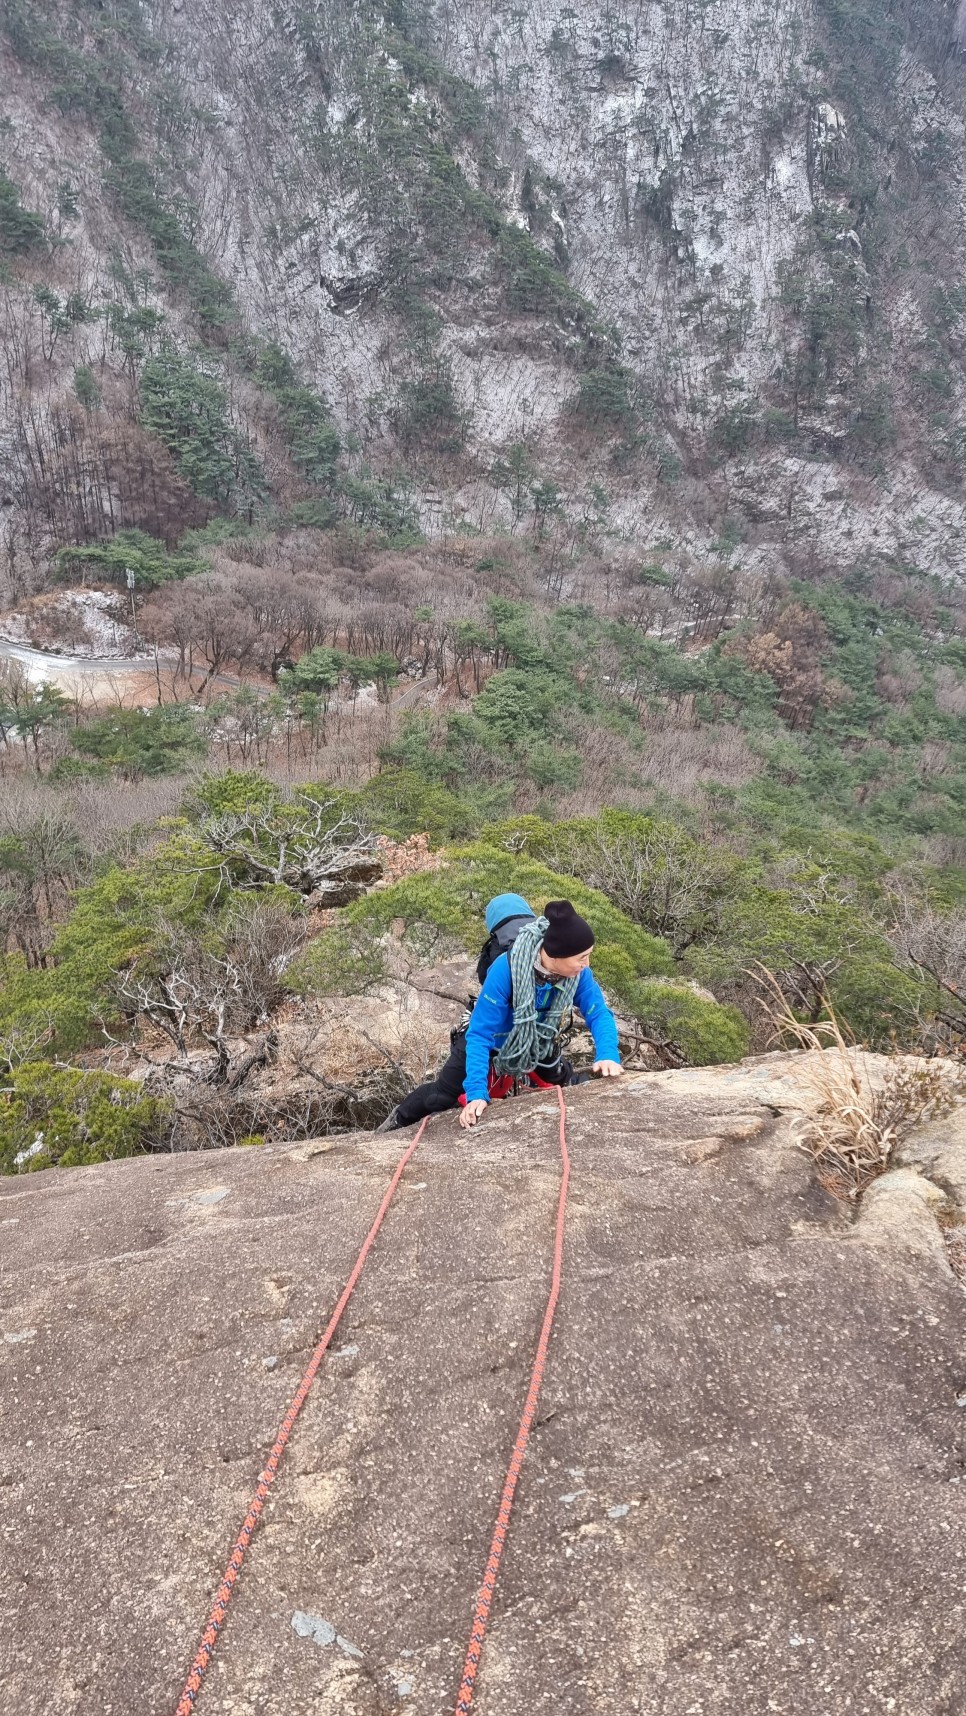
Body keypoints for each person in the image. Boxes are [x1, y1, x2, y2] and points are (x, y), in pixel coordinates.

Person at [377, 897, 622, 1132]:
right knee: (440, 1095)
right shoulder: (506, 969)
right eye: (582, 957)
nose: (587, 964)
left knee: (561, 1078)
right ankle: (396, 1122)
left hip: (537, 1037)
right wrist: (475, 1093)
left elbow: (598, 1013)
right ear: (556, 955)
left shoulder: (578, 975)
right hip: (492, 1039)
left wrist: (608, 1054)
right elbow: (481, 1034)